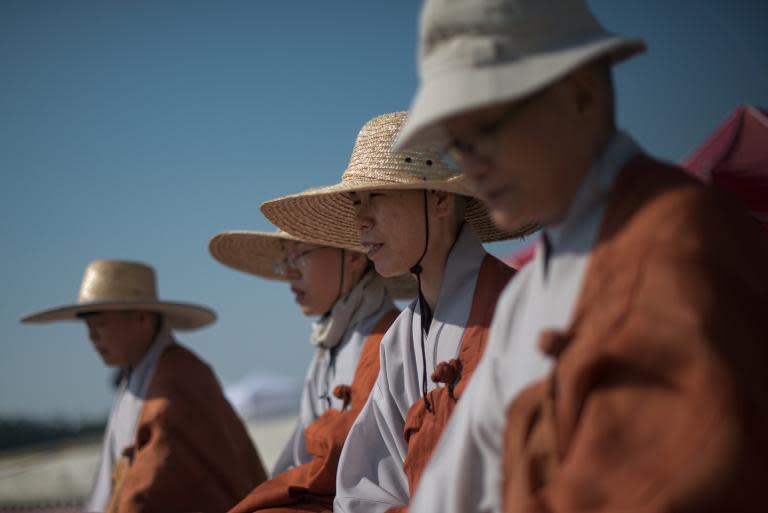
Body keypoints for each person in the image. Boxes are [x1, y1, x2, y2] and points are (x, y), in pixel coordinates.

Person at [394, 1, 768, 512]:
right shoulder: (531, 289)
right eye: (458, 145)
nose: (471, 166)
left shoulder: (679, 242)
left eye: (487, 127)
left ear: (581, 94)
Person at [261, 111, 535, 512]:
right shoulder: (401, 339)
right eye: (356, 202)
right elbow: (365, 488)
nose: (360, 220)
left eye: (377, 196)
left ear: (439, 199)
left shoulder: (517, 309)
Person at [21, 259, 266, 513]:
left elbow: (149, 489)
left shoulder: (174, 384)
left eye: (101, 324)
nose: (93, 338)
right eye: (88, 327)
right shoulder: (143, 375)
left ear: (141, 318)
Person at [208, 227, 405, 512]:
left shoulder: (387, 339)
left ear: (352, 257)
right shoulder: (328, 348)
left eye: (299, 257)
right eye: (283, 262)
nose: (288, 273)